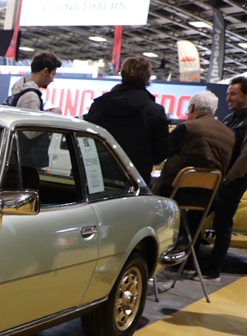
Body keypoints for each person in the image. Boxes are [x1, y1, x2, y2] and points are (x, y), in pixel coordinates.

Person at [152, 90, 234, 244]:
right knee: (193, 223)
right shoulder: (229, 134)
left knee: (148, 196)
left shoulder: (187, 128)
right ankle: (186, 246)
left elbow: (161, 153)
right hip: (209, 197)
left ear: (192, 108)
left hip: (176, 192)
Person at [84, 55, 171, 186]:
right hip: (135, 180)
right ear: (147, 77)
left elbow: (86, 140)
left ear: (123, 73)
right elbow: (162, 151)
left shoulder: (100, 104)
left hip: (97, 177)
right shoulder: (154, 111)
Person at [202, 75, 247, 281]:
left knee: (222, 224)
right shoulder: (230, 119)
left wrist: (228, 178)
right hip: (219, 178)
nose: (228, 98)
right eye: (228, 94)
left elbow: (245, 157)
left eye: (233, 94)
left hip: (234, 180)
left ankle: (214, 270)